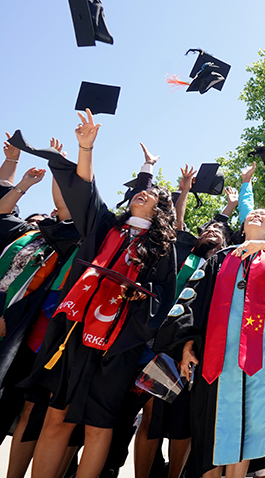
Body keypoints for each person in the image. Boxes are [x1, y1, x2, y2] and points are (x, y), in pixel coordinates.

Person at [20, 110, 178, 478]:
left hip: (116, 344)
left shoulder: (161, 248)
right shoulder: (106, 227)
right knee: (56, 418)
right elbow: (85, 194)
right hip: (73, 332)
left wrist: (142, 297)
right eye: (142, 188)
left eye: (153, 192)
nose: (144, 192)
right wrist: (85, 148)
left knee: (97, 425)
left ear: (161, 209)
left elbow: (162, 298)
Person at [154, 207, 265, 478]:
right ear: (241, 225)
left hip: (261, 364)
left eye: (264, 215)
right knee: (214, 432)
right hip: (218, 360)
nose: (256, 214)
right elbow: (193, 303)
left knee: (248, 433)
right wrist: (186, 344)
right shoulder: (219, 259)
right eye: (252, 213)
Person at [132, 164, 238, 478]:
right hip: (163, 344)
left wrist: (233, 207)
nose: (211, 232)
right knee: (152, 412)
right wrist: (186, 192)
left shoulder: (225, 267)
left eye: (219, 232)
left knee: (184, 423)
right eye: (208, 229)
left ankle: (174, 474)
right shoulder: (184, 253)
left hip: (197, 350)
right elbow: (178, 225)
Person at [0, 142, 82, 478]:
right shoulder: (25, 233)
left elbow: (65, 207)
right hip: (12, 315)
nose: (43, 218)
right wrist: (15, 169)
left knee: (25, 407)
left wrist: (58, 165)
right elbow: (2, 211)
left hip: (31, 326)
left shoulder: (64, 240)